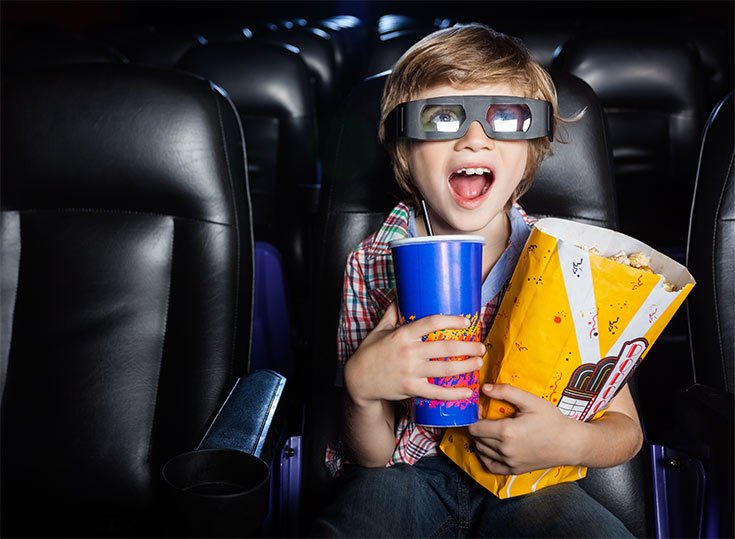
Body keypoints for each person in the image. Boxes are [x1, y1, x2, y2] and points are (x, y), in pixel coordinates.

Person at [311, 23, 642, 538]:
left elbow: (626, 431)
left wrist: (568, 442)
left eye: (505, 118)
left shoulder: (566, 267)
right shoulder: (371, 264)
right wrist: (361, 390)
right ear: (405, 153)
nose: (473, 138)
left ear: (531, 152)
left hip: (532, 478)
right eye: (443, 118)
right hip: (405, 475)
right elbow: (371, 459)